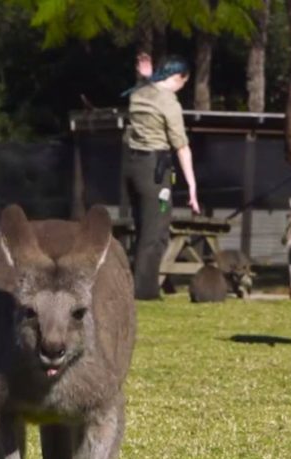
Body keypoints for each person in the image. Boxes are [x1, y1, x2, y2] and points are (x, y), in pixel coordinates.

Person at [122, 53, 201, 300]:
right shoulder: (169, 103)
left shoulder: (138, 94)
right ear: (177, 77)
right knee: (156, 230)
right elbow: (181, 146)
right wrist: (192, 186)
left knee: (141, 227)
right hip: (156, 173)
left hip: (133, 167)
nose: (182, 88)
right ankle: (144, 291)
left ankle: (131, 283)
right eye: (183, 82)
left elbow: (151, 90)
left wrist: (147, 77)